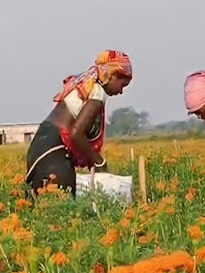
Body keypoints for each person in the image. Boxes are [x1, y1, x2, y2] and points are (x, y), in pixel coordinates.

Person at [25, 50, 133, 195]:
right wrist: (98, 161)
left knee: (46, 205)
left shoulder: (86, 82)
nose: (121, 91)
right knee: (61, 204)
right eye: (122, 85)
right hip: (53, 150)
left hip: (43, 145)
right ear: (112, 75)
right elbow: (76, 133)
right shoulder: (97, 93)